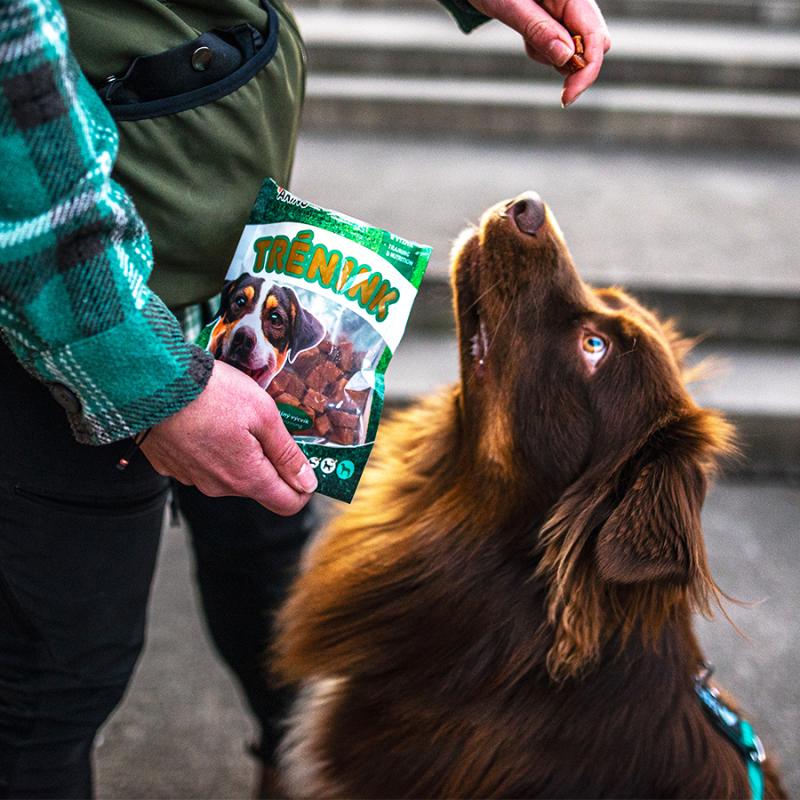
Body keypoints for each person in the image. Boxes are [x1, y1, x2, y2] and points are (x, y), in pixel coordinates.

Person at [0, 0, 610, 797]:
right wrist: (143, 378)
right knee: (55, 687)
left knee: (267, 564)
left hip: (226, 249)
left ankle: (293, 772)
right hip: (69, 325)